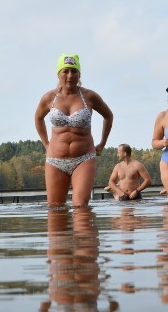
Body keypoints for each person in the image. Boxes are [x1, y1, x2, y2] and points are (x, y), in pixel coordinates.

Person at [35, 53, 113, 207]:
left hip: (83, 158)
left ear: (79, 74)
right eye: (66, 71)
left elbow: (108, 116)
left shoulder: (90, 96)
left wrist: (102, 143)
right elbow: (38, 118)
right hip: (55, 160)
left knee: (80, 208)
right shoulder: (49, 98)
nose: (70, 76)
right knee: (55, 209)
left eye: (74, 71)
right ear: (58, 74)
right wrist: (46, 144)